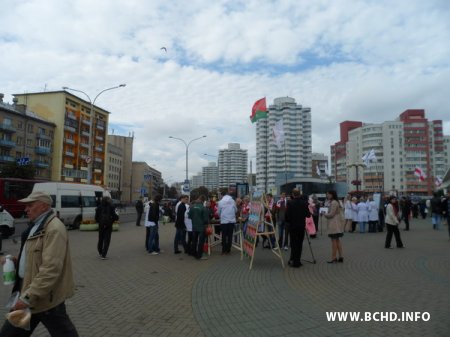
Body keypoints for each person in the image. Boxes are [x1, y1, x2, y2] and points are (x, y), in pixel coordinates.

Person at [0, 191, 79, 336]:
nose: (26, 209)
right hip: (30, 293)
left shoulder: (54, 228)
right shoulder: (37, 225)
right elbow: (34, 257)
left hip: (45, 299)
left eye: (30, 205)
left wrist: (26, 298)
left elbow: (51, 269)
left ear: (43, 206)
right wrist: (15, 261)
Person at [285, 188, 311, 268]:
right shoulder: (304, 203)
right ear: (300, 194)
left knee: (293, 244)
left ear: (293, 194)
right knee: (299, 244)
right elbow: (308, 215)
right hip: (301, 226)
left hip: (293, 226)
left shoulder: (290, 203)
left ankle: (294, 260)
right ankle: (297, 261)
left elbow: (287, 216)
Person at [322, 190, 344, 263]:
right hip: (336, 223)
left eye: (328, 194)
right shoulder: (335, 201)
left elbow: (331, 214)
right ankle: (341, 256)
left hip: (334, 224)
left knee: (334, 241)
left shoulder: (334, 202)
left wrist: (324, 214)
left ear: (332, 195)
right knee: (337, 240)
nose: (327, 196)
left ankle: (334, 257)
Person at [188, 195, 209, 260]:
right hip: (201, 227)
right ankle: (199, 255)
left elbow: (189, 216)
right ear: (203, 201)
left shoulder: (192, 207)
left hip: (194, 226)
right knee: (201, 241)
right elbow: (205, 220)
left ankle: (194, 253)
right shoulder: (203, 208)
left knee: (194, 240)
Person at [218, 191, 237, 255]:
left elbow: (219, 212)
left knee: (223, 235)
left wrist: (221, 216)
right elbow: (236, 210)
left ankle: (223, 250)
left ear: (222, 195)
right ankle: (228, 250)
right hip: (231, 221)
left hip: (224, 221)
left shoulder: (220, 202)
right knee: (230, 235)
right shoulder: (233, 201)